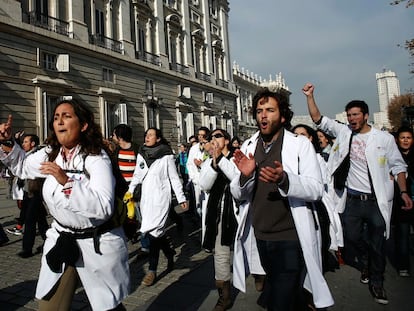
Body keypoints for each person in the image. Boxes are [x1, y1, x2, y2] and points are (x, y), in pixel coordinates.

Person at [0, 99, 129, 310]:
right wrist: (7, 143)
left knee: (107, 306)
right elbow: (22, 166)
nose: (59, 121)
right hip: (62, 239)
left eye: (67, 116)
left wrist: (66, 182)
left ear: (83, 125)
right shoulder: (50, 152)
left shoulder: (96, 158)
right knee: (49, 306)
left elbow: (103, 207)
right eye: (56, 117)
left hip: (95, 244)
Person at [303, 82, 412, 305]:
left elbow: (399, 166)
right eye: (349, 115)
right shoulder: (343, 132)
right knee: (351, 239)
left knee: (378, 243)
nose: (352, 119)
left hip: (375, 201)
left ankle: (377, 282)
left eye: (355, 115)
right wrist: (310, 96)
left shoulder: (384, 139)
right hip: (351, 200)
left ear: (365, 115)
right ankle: (366, 262)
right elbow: (318, 120)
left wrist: (403, 191)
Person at [230, 87, 334, 310]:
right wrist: (244, 177)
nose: (263, 116)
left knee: (280, 300)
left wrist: (285, 180)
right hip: (260, 235)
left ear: (283, 115)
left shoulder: (300, 145)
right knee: (280, 290)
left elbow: (316, 189)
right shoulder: (249, 146)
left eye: (270, 110)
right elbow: (237, 194)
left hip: (290, 236)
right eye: (259, 111)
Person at [125, 127, 188, 286]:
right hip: (147, 199)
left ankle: (152, 271)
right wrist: (130, 190)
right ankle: (169, 252)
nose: (147, 137)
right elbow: (137, 175)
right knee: (154, 232)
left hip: (161, 199)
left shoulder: (166, 155)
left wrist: (181, 197)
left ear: (158, 138)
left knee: (154, 233)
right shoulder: (142, 153)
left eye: (151, 135)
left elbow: (173, 177)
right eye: (146, 134)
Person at [199, 129, 238, 310]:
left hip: (237, 212)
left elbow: (237, 180)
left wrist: (221, 161)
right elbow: (205, 185)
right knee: (221, 253)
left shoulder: (237, 158)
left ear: (227, 141)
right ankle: (225, 296)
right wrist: (214, 165)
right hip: (219, 213)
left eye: (218, 136)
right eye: (211, 137)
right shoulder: (209, 162)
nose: (213, 139)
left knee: (246, 250)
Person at [15, 134, 49, 258]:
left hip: (35, 192)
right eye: (23, 142)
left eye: (26, 142)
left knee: (29, 221)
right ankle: (50, 242)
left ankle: (27, 249)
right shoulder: (26, 155)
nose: (23, 144)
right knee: (41, 222)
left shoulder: (39, 155)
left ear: (33, 144)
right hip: (27, 192)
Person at [392, 126, 414, 277]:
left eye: (408, 137)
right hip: (401, 202)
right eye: (402, 137)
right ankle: (403, 265)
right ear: (397, 140)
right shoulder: (393, 157)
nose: (405, 140)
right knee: (402, 234)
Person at [187, 126, 211, 240]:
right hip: (197, 182)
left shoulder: (210, 146)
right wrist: (193, 178)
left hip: (208, 182)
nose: (200, 137)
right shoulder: (194, 148)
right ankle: (202, 228)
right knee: (198, 207)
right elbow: (189, 164)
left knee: (208, 207)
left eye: (203, 135)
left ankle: (207, 231)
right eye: (199, 135)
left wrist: (202, 164)